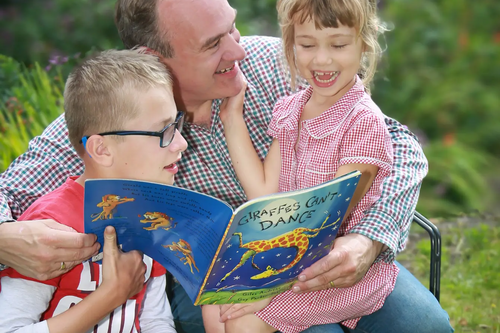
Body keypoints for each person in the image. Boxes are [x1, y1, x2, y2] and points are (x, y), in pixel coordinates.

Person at [0, 0, 452, 332]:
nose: (237, 51)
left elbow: (399, 145)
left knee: (423, 326)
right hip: (202, 281)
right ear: (154, 61)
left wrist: (366, 239)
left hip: (320, 250)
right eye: (214, 44)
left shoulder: (281, 66)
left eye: (232, 29)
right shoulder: (108, 121)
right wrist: (5, 236)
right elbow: (10, 191)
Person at [202, 0, 396, 331]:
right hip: (291, 253)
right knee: (216, 303)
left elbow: (325, 227)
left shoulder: (363, 125)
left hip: (333, 267)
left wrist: (269, 291)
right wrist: (231, 116)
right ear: (291, 43)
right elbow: (264, 192)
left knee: (243, 316)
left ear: (364, 44)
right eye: (307, 44)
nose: (322, 59)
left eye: (338, 44)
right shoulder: (292, 109)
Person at [0, 49, 185, 332]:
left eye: (177, 124)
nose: (181, 143)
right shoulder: (52, 226)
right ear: (102, 149)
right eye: (164, 132)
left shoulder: (155, 217)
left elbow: (154, 320)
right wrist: (109, 297)